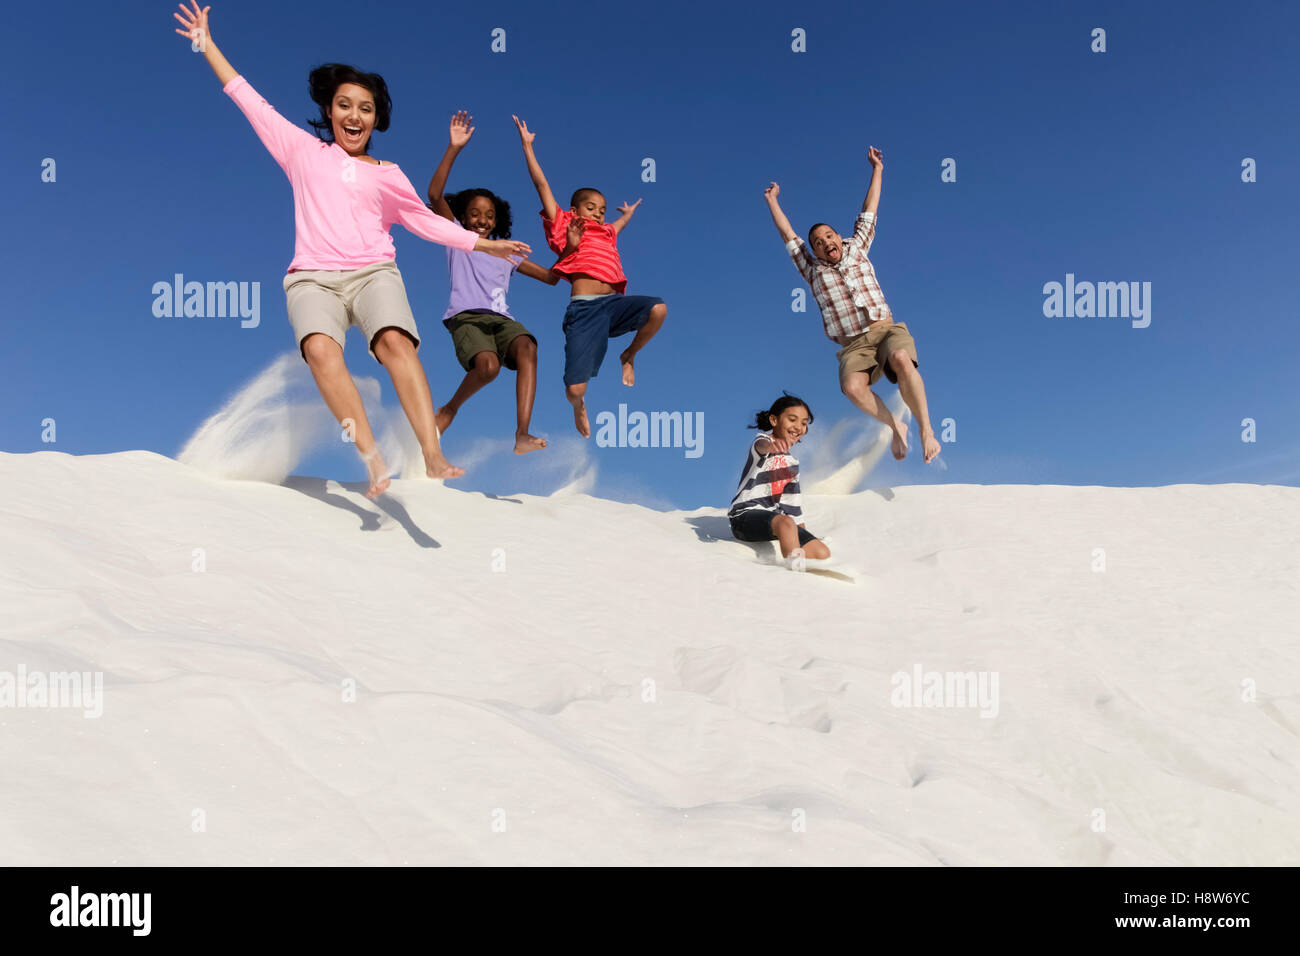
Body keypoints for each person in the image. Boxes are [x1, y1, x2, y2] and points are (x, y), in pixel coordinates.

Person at [173, 2, 530, 498]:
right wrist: (206, 44)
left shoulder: (388, 175)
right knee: (320, 350)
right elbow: (248, 100)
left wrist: (482, 244)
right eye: (344, 105)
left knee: (394, 342)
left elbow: (427, 222)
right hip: (311, 276)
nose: (354, 115)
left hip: (373, 272)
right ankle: (372, 458)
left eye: (365, 108)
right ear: (329, 111)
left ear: (376, 117)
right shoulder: (302, 151)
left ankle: (431, 451)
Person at [764, 147, 941, 463]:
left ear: (839, 236)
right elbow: (788, 234)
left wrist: (877, 169)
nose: (825, 243)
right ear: (815, 251)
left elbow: (869, 208)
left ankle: (926, 430)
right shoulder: (811, 268)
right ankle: (895, 424)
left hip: (884, 329)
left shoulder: (857, 247)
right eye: (818, 243)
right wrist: (772, 201)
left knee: (901, 358)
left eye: (829, 237)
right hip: (853, 346)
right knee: (851, 387)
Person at [512, 115, 667, 438]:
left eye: (602, 208)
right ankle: (578, 405)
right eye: (591, 207)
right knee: (574, 389)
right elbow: (541, 185)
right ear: (574, 208)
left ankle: (629, 354)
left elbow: (617, 227)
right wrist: (528, 146)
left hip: (614, 303)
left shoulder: (607, 231)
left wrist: (626, 216)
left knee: (658, 309)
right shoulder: (564, 223)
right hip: (584, 309)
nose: (598, 213)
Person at [426, 111, 559, 455]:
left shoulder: (507, 252)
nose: (481, 220)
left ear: (496, 220)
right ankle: (448, 410)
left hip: (502, 320)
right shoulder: (457, 237)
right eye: (474, 214)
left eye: (488, 216)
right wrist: (453, 148)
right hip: (467, 318)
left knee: (528, 346)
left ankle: (522, 433)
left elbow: (550, 278)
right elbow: (435, 194)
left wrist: (571, 247)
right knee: (488, 367)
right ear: (464, 217)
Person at [728, 394, 831, 565]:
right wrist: (772, 446)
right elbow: (761, 446)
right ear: (774, 420)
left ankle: (809, 567)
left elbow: (793, 508)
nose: (798, 427)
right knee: (785, 522)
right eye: (792, 419)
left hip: (774, 521)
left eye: (804, 423)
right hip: (743, 517)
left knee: (821, 552)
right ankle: (794, 571)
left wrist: (805, 536)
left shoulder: (792, 465)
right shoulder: (762, 442)